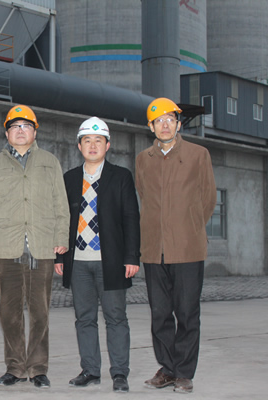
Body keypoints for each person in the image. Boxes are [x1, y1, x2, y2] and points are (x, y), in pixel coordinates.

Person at [0, 105, 70, 389]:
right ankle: (15, 367)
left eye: (26, 126)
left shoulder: (49, 162)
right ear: (7, 133)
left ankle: (38, 368)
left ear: (34, 132)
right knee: (10, 314)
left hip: (41, 247)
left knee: (40, 313)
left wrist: (61, 237)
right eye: (15, 126)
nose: (20, 131)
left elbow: (61, 204)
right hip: (7, 248)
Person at [54, 117, 140, 393]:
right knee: (84, 318)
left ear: (107, 145)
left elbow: (131, 218)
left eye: (98, 141)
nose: (93, 146)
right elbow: (62, 219)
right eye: (87, 141)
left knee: (116, 317)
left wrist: (131, 256)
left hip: (111, 262)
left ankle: (120, 373)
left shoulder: (121, 176)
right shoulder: (69, 178)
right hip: (78, 263)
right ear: (79, 146)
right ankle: (90, 370)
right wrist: (60, 257)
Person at [136, 98, 216, 394]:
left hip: (187, 248)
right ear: (151, 127)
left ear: (179, 124)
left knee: (187, 312)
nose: (165, 125)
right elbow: (144, 196)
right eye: (159, 120)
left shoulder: (198, 155)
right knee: (160, 313)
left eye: (170, 119)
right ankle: (168, 368)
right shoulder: (143, 159)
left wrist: (190, 226)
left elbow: (208, 198)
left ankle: (184, 372)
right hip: (154, 249)